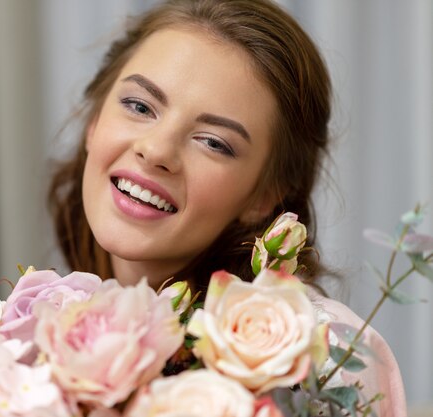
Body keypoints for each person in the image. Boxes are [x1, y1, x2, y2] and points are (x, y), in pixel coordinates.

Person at [48, 0, 406, 415]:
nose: (155, 150)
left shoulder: (324, 357)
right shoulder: (38, 332)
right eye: (140, 106)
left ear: (264, 196)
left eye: (213, 142)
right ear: (94, 121)